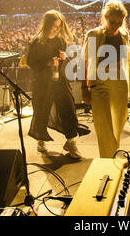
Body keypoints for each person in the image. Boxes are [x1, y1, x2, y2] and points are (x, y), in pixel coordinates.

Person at [27, 10, 90, 159]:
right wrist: (48, 63)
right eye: (54, 26)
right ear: (47, 25)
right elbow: (31, 62)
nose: (57, 29)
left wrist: (64, 57)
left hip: (60, 81)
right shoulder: (36, 41)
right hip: (43, 83)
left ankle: (71, 143)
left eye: (59, 26)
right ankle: (41, 140)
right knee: (42, 112)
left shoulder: (60, 40)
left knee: (68, 110)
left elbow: (65, 58)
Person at [81, 0, 130, 158]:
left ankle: (113, 157)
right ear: (105, 18)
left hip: (120, 84)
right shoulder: (93, 35)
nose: (115, 26)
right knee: (104, 127)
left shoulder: (124, 35)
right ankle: (108, 162)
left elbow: (125, 62)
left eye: (119, 22)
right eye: (112, 22)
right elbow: (84, 62)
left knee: (117, 126)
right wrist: (84, 89)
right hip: (99, 84)